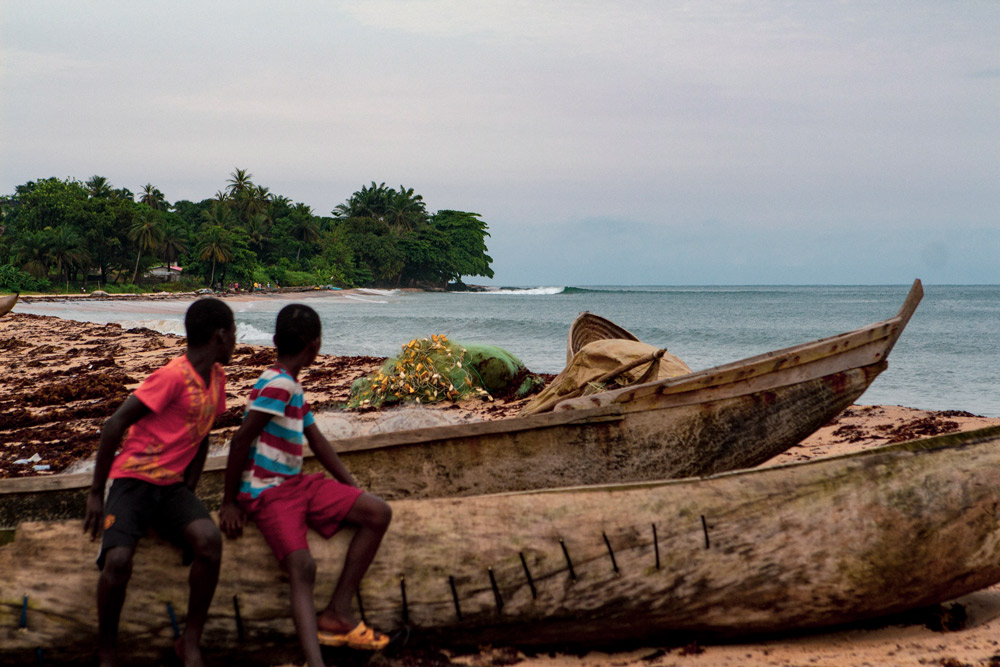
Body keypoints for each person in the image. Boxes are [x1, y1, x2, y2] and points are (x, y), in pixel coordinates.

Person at [219, 304, 392, 667]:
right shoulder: (278, 384)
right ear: (315, 346)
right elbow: (239, 441)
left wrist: (354, 489)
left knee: (376, 512)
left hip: (296, 485)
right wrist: (230, 502)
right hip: (267, 493)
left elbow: (317, 442)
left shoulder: (289, 383)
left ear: (276, 340)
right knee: (304, 568)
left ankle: (338, 611)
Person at [84, 298, 236, 667]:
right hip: (132, 482)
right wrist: (94, 493)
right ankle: (107, 653)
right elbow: (113, 426)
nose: (235, 340)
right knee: (118, 561)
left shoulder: (217, 378)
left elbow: (202, 438)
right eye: (232, 332)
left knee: (209, 541)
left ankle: (191, 641)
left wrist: (190, 493)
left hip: (171, 489)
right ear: (219, 336)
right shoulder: (171, 377)